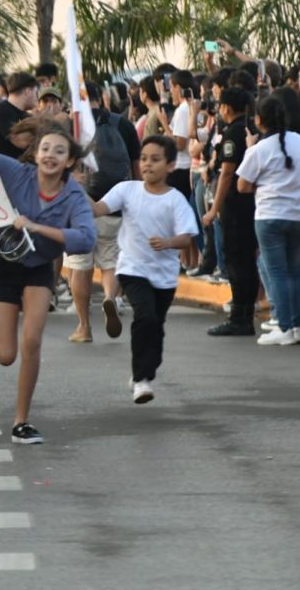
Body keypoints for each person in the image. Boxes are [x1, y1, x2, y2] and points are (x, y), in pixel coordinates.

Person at [0, 118, 96, 445]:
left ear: (70, 161)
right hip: (3, 264)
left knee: (32, 341)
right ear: (34, 154)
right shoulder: (16, 174)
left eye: (59, 151)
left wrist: (36, 227)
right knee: (6, 354)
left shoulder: (74, 196)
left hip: (38, 269)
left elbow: (85, 238)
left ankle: (22, 421)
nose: (50, 156)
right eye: (45, 149)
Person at [92, 136, 199, 402]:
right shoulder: (127, 190)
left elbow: (187, 237)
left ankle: (145, 371)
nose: (147, 165)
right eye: (144, 159)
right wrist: (72, 186)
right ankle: (141, 379)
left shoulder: (175, 200)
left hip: (164, 277)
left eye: (155, 159)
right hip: (131, 269)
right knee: (146, 318)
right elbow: (97, 208)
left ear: (171, 165)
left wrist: (167, 243)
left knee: (156, 327)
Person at [236, 95, 300, 345]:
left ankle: (285, 326)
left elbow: (243, 185)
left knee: (277, 272)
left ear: (259, 121)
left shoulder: (259, 149)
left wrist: (249, 148)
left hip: (271, 215)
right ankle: (298, 327)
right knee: (294, 271)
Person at [67, 81, 140, 343]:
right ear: (103, 99)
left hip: (81, 206)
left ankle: (84, 327)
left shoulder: (71, 127)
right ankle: (110, 298)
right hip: (114, 204)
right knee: (110, 262)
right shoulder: (124, 125)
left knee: (80, 267)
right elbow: (136, 165)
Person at [202, 87, 259, 337]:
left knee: (236, 261)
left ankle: (239, 317)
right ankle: (245, 313)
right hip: (251, 204)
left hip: (235, 205)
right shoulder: (251, 130)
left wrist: (214, 209)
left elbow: (226, 172)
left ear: (226, 107)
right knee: (246, 260)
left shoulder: (233, 133)